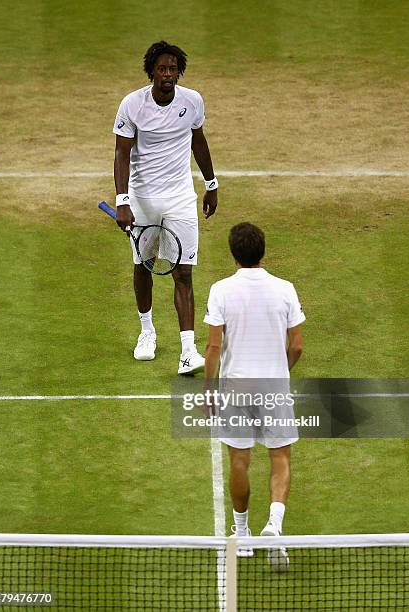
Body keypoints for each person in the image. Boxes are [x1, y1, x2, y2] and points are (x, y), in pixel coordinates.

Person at [113, 41, 218, 374]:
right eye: (162, 69)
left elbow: (198, 141)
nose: (168, 75)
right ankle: (147, 332)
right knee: (144, 266)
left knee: (183, 272)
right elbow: (121, 154)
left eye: (173, 69)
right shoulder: (132, 104)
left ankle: (188, 351)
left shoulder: (192, 101)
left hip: (180, 199)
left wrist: (211, 184)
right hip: (142, 199)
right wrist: (123, 201)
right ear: (151, 72)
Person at [204, 223, 305, 563]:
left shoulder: (220, 290)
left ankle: (243, 536)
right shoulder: (286, 289)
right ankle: (274, 527)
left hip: (236, 388)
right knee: (280, 458)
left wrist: (208, 390)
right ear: (263, 251)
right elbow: (298, 346)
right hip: (274, 386)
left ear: (234, 253)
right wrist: (280, 371)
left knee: (239, 460)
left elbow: (214, 345)